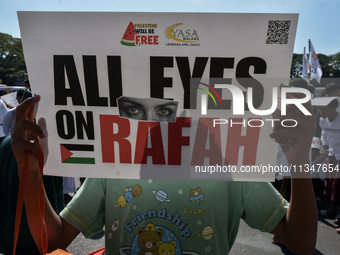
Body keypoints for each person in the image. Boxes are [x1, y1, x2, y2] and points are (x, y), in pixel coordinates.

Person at [11, 95, 317, 254]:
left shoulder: (231, 171)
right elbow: (51, 240)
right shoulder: (115, 166)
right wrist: (32, 175)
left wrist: (300, 161)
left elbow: (300, 241)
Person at [319, 98, 340, 223]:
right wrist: (325, 146)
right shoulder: (322, 120)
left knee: (338, 183)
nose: (321, 111)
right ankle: (332, 209)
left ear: (333, 109)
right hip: (331, 154)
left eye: (324, 108)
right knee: (330, 182)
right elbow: (324, 134)